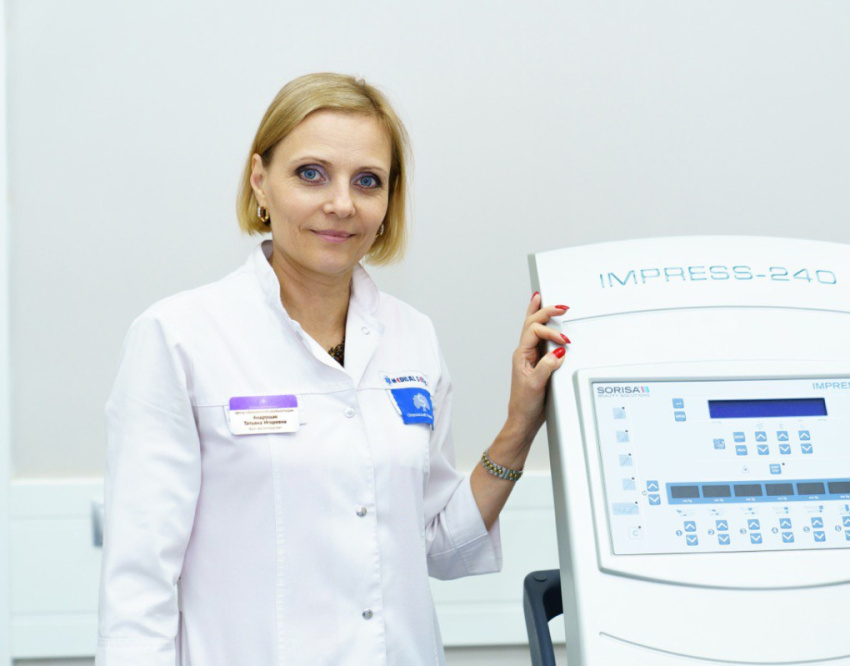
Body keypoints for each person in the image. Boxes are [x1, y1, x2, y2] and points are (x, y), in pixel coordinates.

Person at [96, 72, 570, 665]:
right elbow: (138, 584)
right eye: (311, 173)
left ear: (388, 202)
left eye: (367, 181)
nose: (342, 203)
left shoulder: (412, 336)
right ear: (260, 180)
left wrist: (520, 424)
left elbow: (437, 545)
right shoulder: (179, 337)